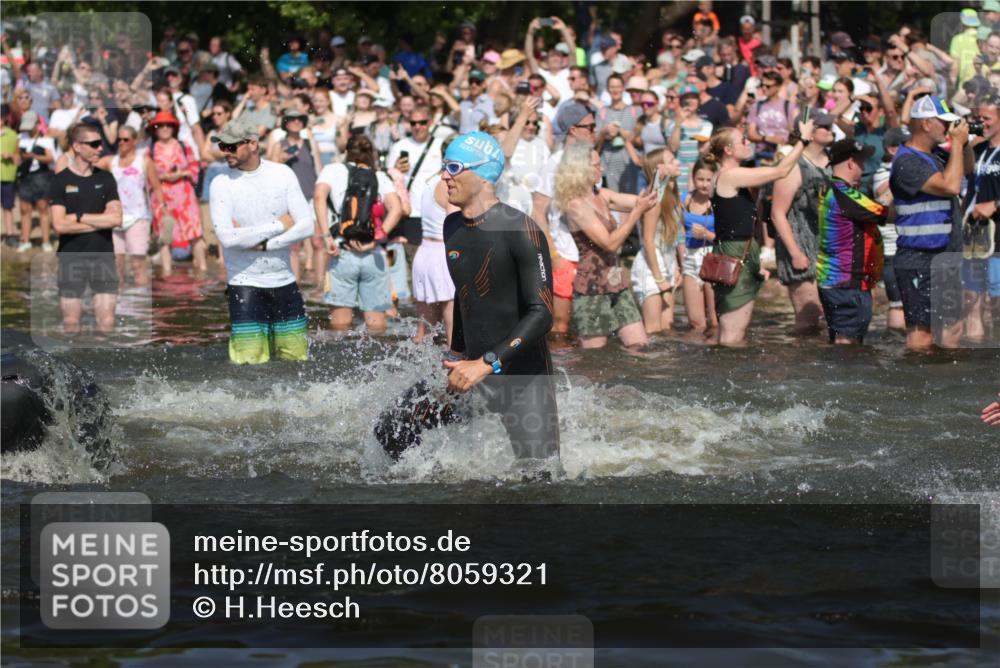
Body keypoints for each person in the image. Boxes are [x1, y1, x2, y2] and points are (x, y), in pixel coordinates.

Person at [440, 131, 559, 465]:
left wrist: (486, 363)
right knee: (392, 435)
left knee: (540, 477)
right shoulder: (452, 227)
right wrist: (456, 355)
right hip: (471, 368)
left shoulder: (520, 229)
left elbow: (542, 314)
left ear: (483, 175)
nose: (444, 176)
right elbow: (465, 293)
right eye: (444, 166)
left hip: (523, 376)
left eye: (453, 167)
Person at [209, 117, 314, 364]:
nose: (225, 152)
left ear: (253, 144)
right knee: (248, 365)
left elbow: (306, 225)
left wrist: (266, 244)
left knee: (297, 363)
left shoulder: (282, 173)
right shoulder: (220, 183)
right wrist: (278, 226)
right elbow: (227, 237)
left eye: (231, 146)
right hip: (244, 285)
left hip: (284, 282)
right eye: (222, 146)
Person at [704, 120, 815, 345]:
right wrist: (803, 141)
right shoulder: (730, 175)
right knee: (732, 335)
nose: (748, 143)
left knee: (730, 331)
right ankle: (727, 367)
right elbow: (781, 171)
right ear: (728, 150)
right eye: (743, 141)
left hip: (736, 250)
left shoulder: (726, 175)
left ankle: (726, 366)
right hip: (736, 252)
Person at [889, 95, 971, 351]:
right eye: (943, 122)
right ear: (926, 124)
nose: (948, 128)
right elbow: (951, 186)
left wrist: (965, 143)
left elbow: (967, 169)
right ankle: (916, 375)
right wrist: (956, 144)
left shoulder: (935, 156)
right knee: (922, 335)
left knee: (952, 329)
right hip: (918, 258)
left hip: (944, 255)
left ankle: (944, 375)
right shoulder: (907, 161)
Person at [557, 144, 657, 348]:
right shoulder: (575, 205)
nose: (601, 169)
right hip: (591, 288)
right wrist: (636, 214)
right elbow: (609, 243)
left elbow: (643, 202)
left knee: (640, 347)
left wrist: (658, 179)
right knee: (595, 358)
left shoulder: (601, 194)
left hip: (616, 281)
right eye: (596, 165)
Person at [314, 134, 403, 332]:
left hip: (342, 251)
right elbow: (396, 209)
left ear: (346, 151)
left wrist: (326, 237)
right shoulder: (379, 176)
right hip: (374, 255)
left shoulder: (332, 170)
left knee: (340, 323)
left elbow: (319, 197)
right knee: (377, 323)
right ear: (371, 153)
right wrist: (377, 239)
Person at [49, 123, 123, 333]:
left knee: (106, 323)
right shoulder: (60, 181)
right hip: (71, 258)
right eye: (94, 144)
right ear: (77, 146)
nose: (100, 148)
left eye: (100, 143)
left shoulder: (106, 178)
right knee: (71, 323)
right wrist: (100, 221)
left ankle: (102, 355)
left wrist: (79, 217)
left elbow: (116, 218)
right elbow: (59, 224)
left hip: (103, 258)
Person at [531, 101, 597, 336]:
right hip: (565, 255)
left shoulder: (591, 159)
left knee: (588, 326)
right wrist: (553, 255)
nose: (595, 132)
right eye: (590, 127)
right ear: (573, 130)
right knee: (560, 327)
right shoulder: (554, 163)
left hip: (590, 256)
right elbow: (538, 211)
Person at [817, 139, 890, 344]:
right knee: (847, 344)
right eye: (861, 162)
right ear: (850, 163)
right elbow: (882, 212)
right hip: (847, 283)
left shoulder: (831, 189)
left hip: (835, 280)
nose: (864, 167)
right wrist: (895, 185)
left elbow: (872, 208)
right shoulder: (843, 193)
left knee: (842, 340)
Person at [770, 109, 836, 334]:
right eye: (824, 126)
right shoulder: (793, 166)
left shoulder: (834, 161)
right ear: (809, 132)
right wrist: (795, 253)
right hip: (800, 245)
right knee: (809, 320)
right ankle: (800, 356)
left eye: (830, 126)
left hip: (828, 248)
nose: (830, 129)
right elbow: (777, 213)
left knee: (830, 319)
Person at [96, 126, 159, 287]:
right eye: (119, 139)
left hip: (138, 217)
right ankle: (120, 300)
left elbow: (157, 188)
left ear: (135, 141)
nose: (121, 142)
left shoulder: (144, 161)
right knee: (116, 267)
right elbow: (87, 166)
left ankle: (141, 299)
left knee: (138, 266)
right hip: (114, 219)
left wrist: (162, 211)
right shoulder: (110, 161)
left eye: (126, 139)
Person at [960, 95, 1000, 341]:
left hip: (998, 238)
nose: (981, 123)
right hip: (975, 235)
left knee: (996, 303)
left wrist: (995, 204)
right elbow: (965, 179)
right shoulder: (979, 150)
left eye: (987, 118)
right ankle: (975, 355)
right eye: (978, 118)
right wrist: (963, 142)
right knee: (970, 299)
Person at [147, 111, 207, 274]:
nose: (165, 128)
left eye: (169, 125)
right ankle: (167, 271)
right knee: (164, 234)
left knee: (194, 232)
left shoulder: (184, 145)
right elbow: (147, 175)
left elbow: (195, 167)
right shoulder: (150, 150)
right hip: (161, 196)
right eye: (160, 125)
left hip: (185, 194)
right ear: (155, 129)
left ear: (174, 128)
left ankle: (202, 269)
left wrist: (182, 173)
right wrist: (162, 177)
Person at [267, 109, 322, 284]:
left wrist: (322, 192)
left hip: (311, 195)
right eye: (292, 119)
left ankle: (320, 285)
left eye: (300, 119)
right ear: (286, 123)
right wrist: (283, 158)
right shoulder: (279, 144)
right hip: (289, 199)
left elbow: (318, 167)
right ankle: (294, 284)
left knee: (317, 241)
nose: (296, 121)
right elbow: (270, 171)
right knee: (294, 245)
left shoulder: (310, 143)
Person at [633, 148, 684, 334]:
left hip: (667, 265)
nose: (678, 162)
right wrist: (659, 278)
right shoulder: (653, 198)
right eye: (671, 160)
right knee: (653, 331)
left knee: (667, 329)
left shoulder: (673, 194)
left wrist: (676, 267)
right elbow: (648, 240)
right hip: (650, 268)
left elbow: (670, 238)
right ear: (660, 168)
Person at [413, 138, 457, 346]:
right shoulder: (449, 186)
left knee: (424, 332)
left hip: (424, 254)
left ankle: (412, 364)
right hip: (441, 256)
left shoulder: (431, 180)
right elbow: (454, 225)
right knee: (452, 328)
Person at [387, 105, 445, 248]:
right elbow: (388, 180)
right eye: (413, 123)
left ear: (430, 123)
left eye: (422, 122)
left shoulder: (440, 145)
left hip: (436, 212)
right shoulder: (399, 146)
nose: (417, 127)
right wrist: (395, 169)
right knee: (412, 254)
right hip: (411, 211)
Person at [872, 126, 910, 332]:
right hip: (891, 252)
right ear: (892, 149)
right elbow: (883, 199)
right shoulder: (882, 173)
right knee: (897, 305)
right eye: (907, 145)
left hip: (907, 249)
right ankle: (894, 343)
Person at [679, 158, 719, 333]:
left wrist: (707, 234)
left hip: (712, 258)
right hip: (690, 259)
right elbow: (679, 234)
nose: (704, 184)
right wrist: (681, 263)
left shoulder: (719, 202)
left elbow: (728, 239)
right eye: (700, 179)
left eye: (708, 180)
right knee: (696, 324)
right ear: (693, 178)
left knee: (715, 322)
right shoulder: (684, 200)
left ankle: (715, 349)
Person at [16, 110, 56, 253]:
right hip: (25, 176)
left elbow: (50, 158)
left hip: (42, 176)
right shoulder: (21, 138)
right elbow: (16, 156)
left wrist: (34, 156)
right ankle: (25, 241)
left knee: (43, 208)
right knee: (24, 209)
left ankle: (46, 241)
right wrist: (17, 159)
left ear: (37, 124)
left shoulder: (46, 139)